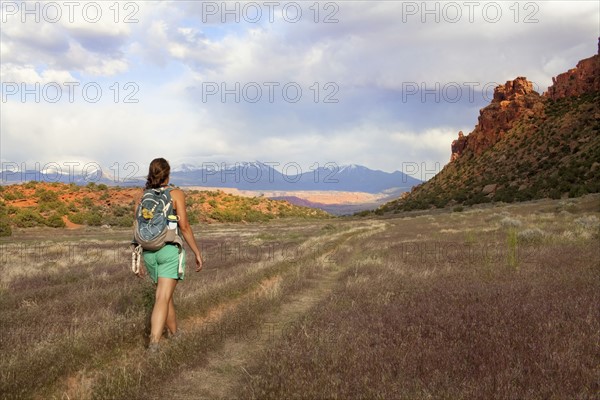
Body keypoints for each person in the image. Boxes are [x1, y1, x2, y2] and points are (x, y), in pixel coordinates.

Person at [135, 158, 203, 352]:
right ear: (168, 174)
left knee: (165, 296)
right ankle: (154, 344)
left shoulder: (141, 195)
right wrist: (196, 252)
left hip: (149, 252)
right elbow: (185, 226)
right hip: (168, 250)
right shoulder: (176, 193)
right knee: (162, 297)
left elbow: (137, 226)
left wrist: (137, 256)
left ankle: (175, 334)